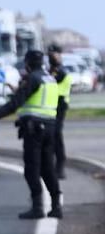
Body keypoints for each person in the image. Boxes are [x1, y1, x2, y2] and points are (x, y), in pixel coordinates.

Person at [0, 49, 61, 219]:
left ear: (27, 64)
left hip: (34, 130)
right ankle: (56, 205)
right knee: (48, 169)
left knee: (32, 169)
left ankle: (37, 207)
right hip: (50, 129)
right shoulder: (50, 79)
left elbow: (14, 104)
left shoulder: (33, 79)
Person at [47, 45, 71, 179]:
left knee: (56, 135)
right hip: (52, 105)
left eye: (54, 54)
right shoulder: (52, 69)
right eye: (50, 54)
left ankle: (60, 166)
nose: (52, 56)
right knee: (52, 136)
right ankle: (53, 166)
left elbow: (53, 80)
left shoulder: (60, 70)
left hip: (60, 104)